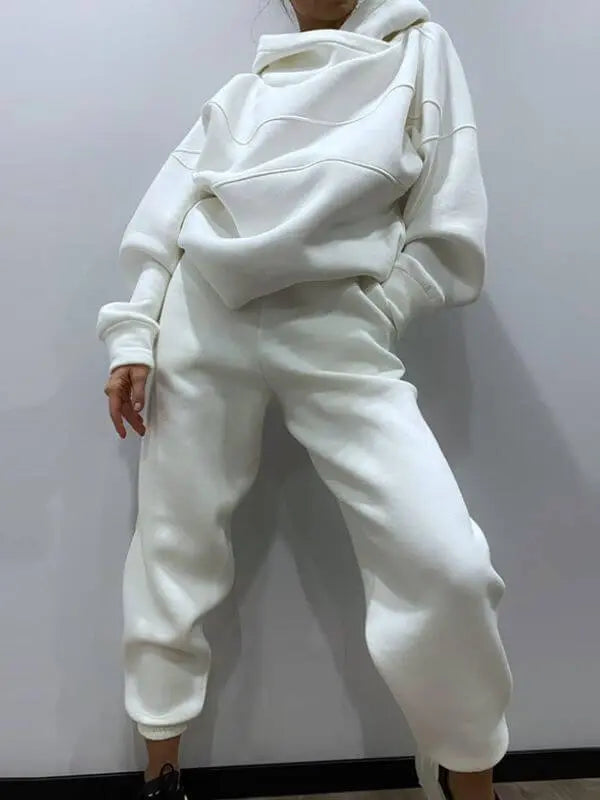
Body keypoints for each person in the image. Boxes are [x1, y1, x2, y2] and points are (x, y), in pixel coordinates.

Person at [97, 1, 513, 798]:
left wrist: (378, 308)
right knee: (172, 547)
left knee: (446, 566)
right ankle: (161, 777)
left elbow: (450, 222)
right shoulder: (248, 87)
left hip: (337, 325)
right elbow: (164, 217)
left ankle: (469, 781)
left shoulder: (419, 50)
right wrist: (133, 337)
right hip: (202, 316)